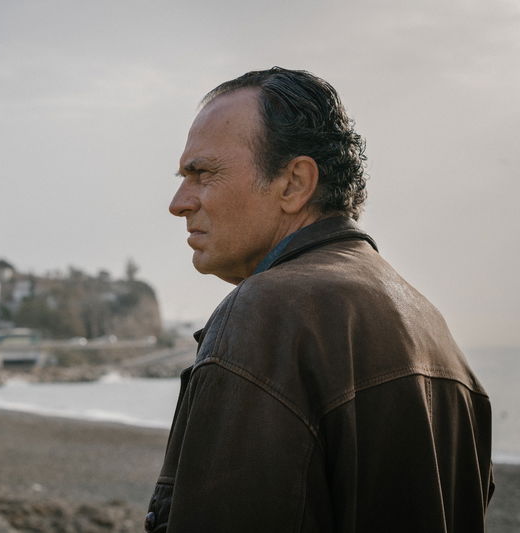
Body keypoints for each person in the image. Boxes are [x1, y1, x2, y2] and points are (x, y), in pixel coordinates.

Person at [145, 67, 493, 532]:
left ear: (293, 183)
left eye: (202, 173)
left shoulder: (267, 313)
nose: (179, 202)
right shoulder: (431, 325)